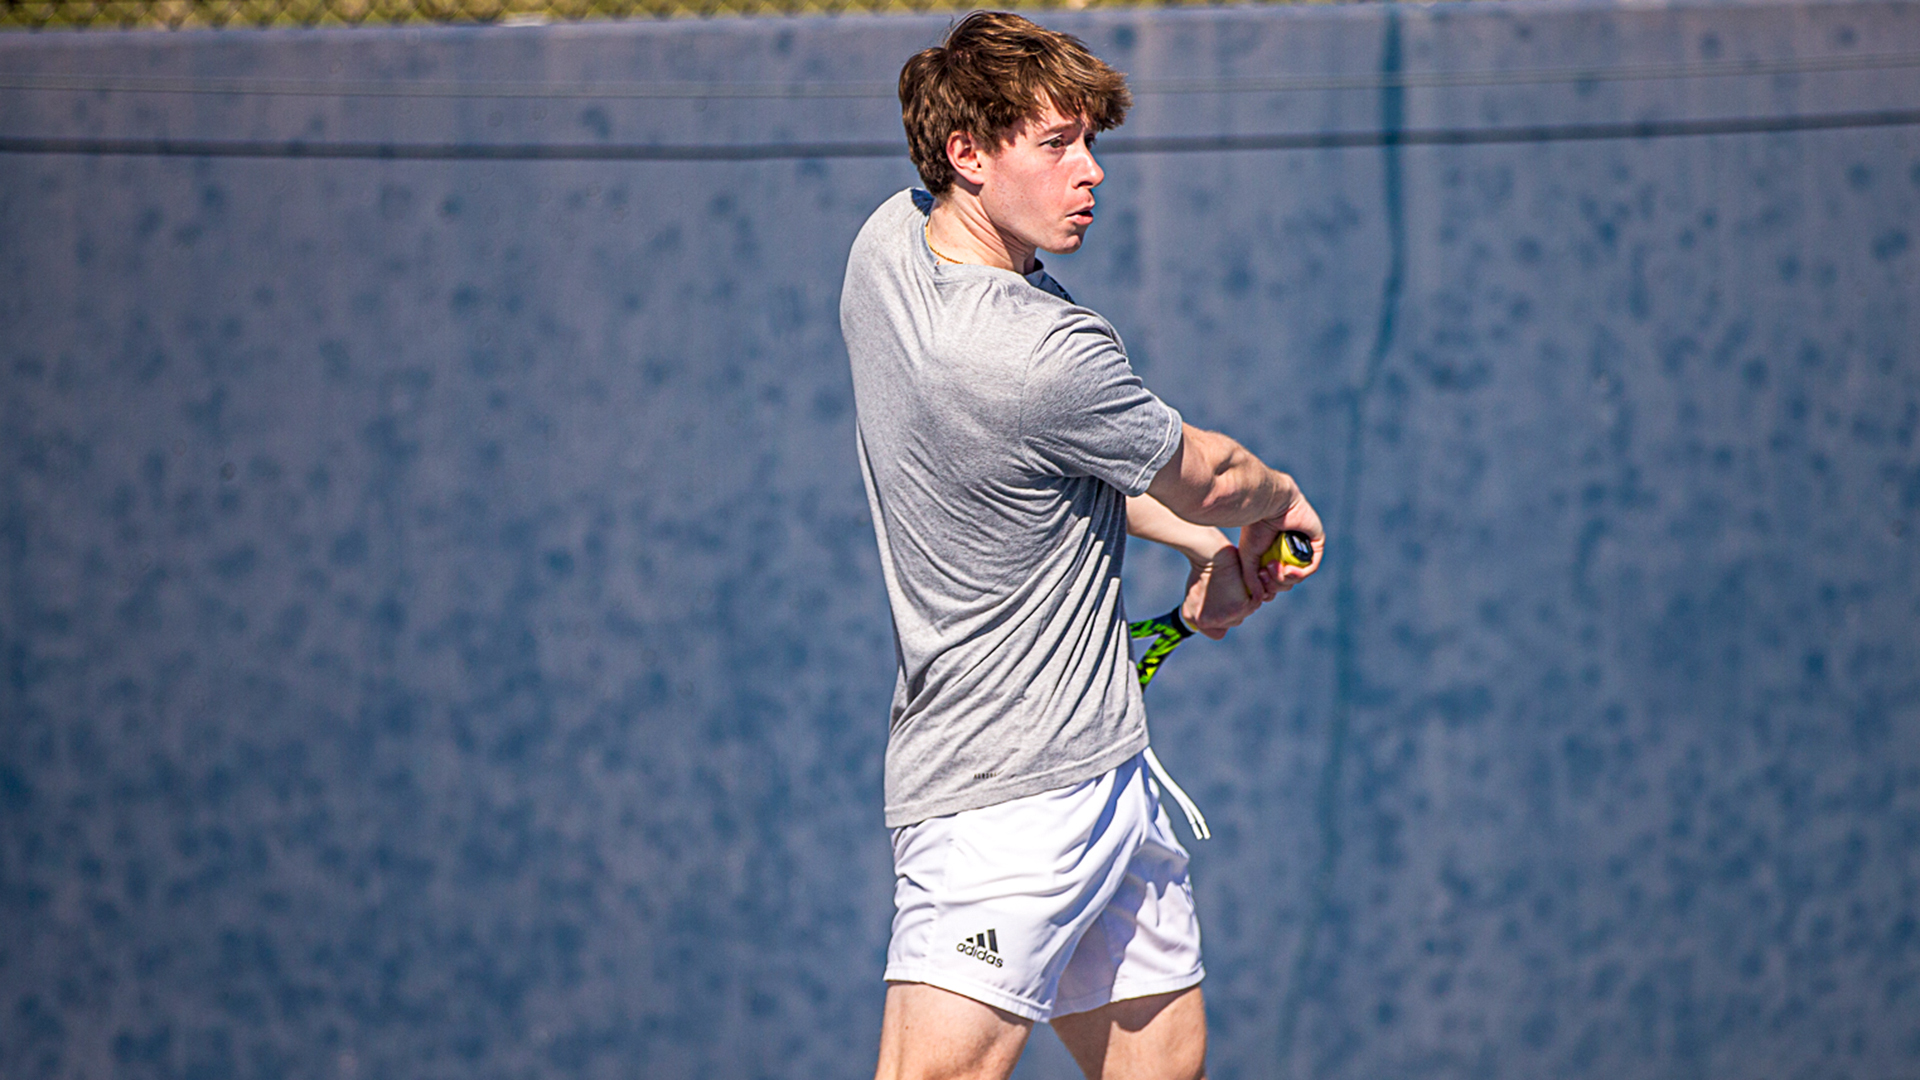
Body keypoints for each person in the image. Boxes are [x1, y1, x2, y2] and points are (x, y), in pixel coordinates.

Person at [839, 12, 1324, 1079]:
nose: (1090, 170)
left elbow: (1055, 470)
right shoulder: (1044, 353)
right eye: (1055, 143)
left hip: (1105, 763)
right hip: (1002, 800)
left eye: (1088, 141)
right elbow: (1208, 474)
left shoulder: (885, 247)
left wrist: (1205, 551)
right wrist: (1274, 502)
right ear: (967, 153)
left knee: (1164, 1061)